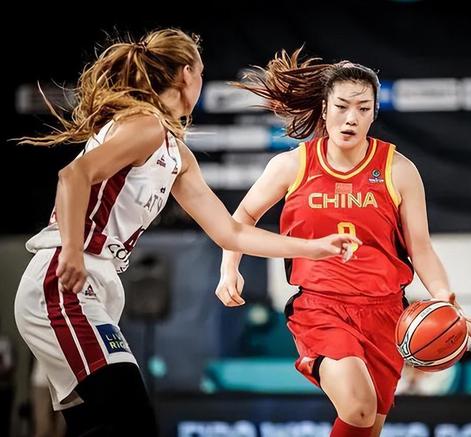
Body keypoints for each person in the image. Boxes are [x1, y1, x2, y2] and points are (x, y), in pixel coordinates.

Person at [13, 30, 359, 437]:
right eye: (201, 71)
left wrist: (313, 248)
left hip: (97, 282)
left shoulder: (176, 153)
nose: (201, 80)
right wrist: (72, 249)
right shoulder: (145, 125)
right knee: (129, 419)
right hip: (63, 279)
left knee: (102, 423)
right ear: (186, 74)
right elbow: (73, 176)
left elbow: (230, 232)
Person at [216, 48, 471, 437]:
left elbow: (420, 248)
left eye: (362, 108)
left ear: (374, 114)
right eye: (341, 106)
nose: (351, 117)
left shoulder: (399, 170)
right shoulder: (292, 165)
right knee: (358, 407)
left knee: (366, 426)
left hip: (386, 314)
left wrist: (443, 297)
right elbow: (241, 218)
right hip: (321, 307)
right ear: (324, 109)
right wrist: (229, 268)